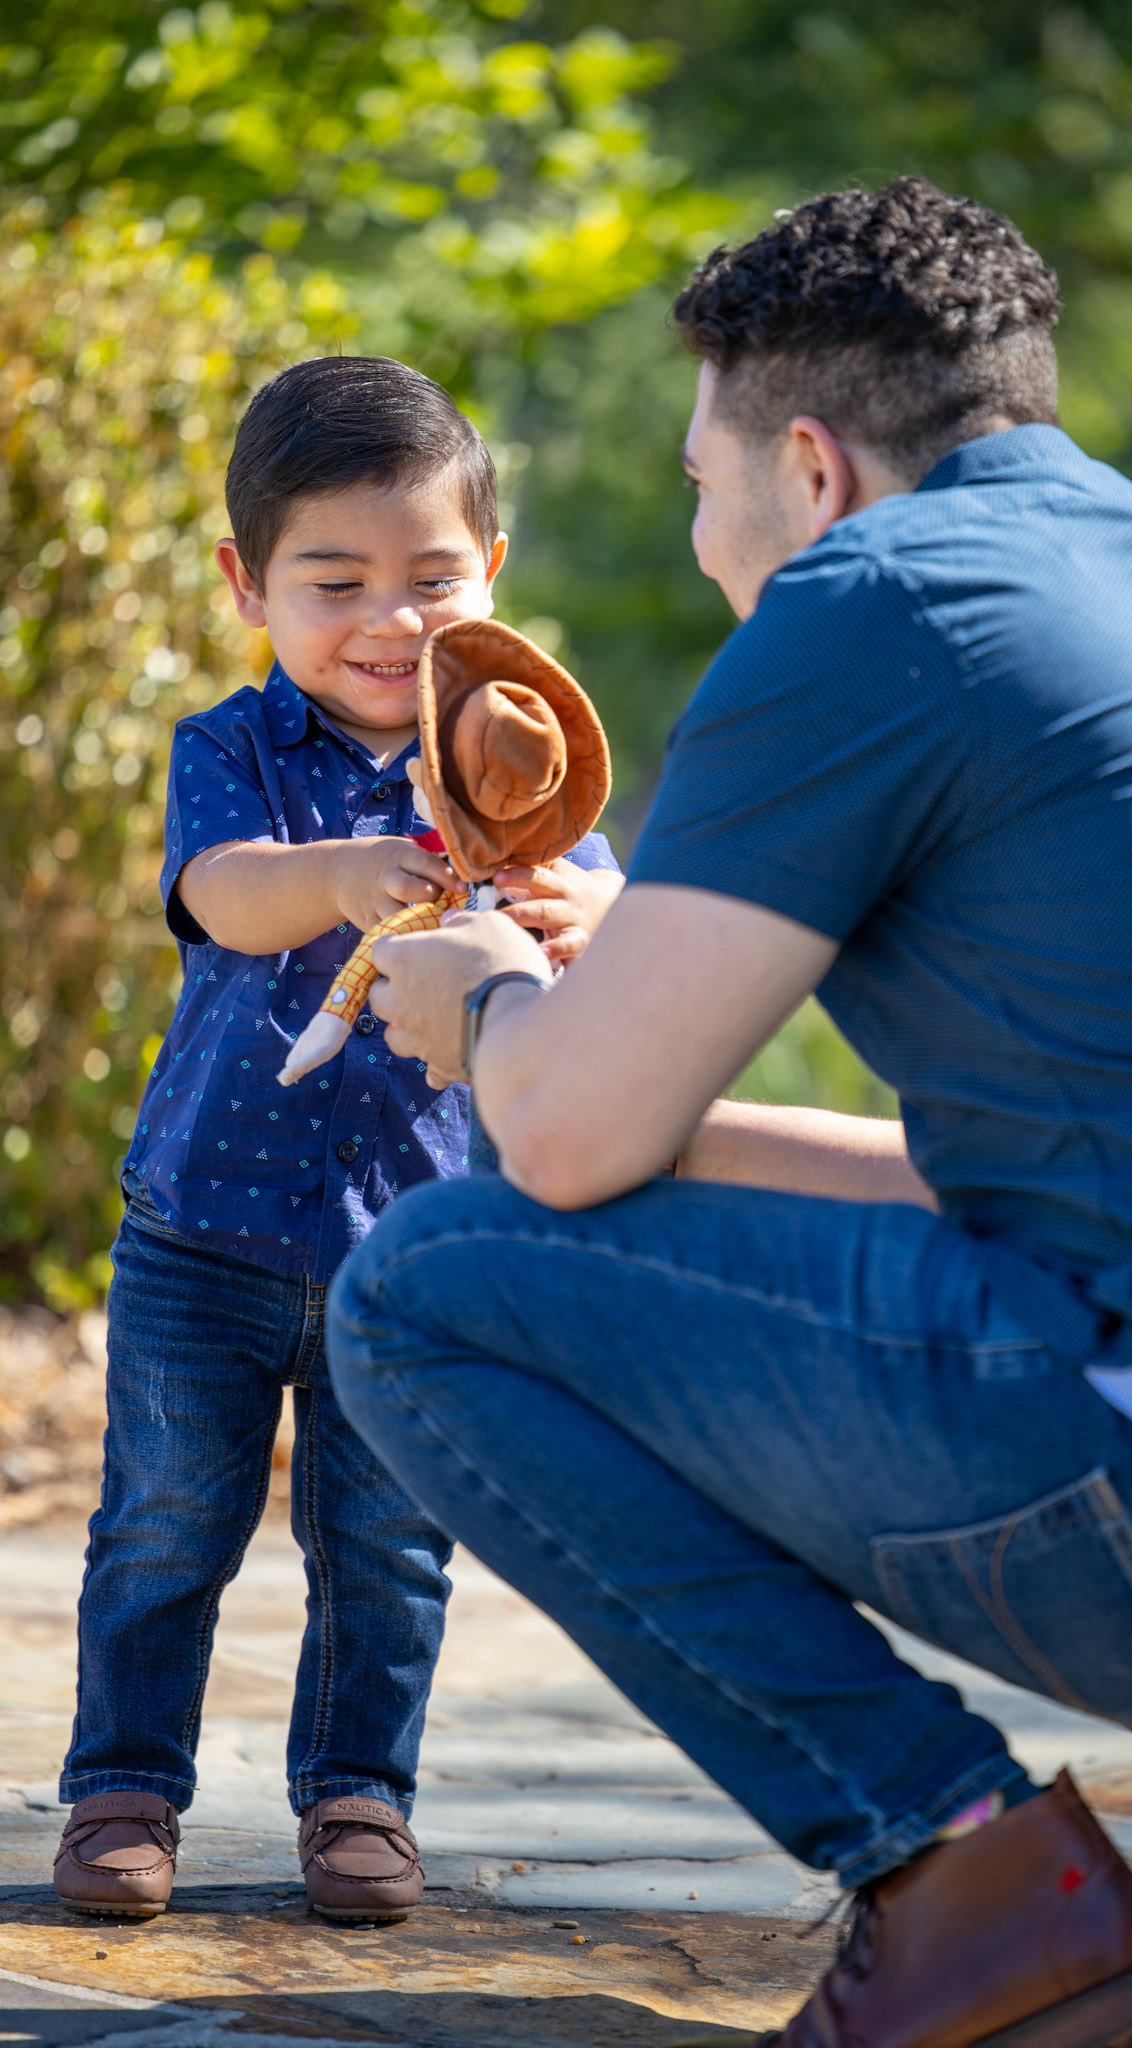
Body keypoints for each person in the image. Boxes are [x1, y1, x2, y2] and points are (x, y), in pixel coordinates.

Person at [326, 180, 1132, 2048]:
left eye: (700, 485)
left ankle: (969, 1893)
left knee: (426, 1287)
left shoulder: (869, 598)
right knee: (1085, 1291)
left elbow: (556, 1145)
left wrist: (485, 1003)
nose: (705, 544)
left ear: (808, 469)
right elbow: (1035, 1194)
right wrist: (615, 1049)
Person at [53, 356, 623, 1925]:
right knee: (164, 1526)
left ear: (489, 570)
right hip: (205, 1234)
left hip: (415, 1246)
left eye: (431, 578)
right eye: (334, 581)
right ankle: (123, 1786)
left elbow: (611, 932)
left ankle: (360, 1793)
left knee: (388, 1544)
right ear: (247, 585)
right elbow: (219, 892)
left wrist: (589, 919)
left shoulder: (518, 760)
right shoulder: (232, 749)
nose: (390, 620)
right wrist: (343, 872)